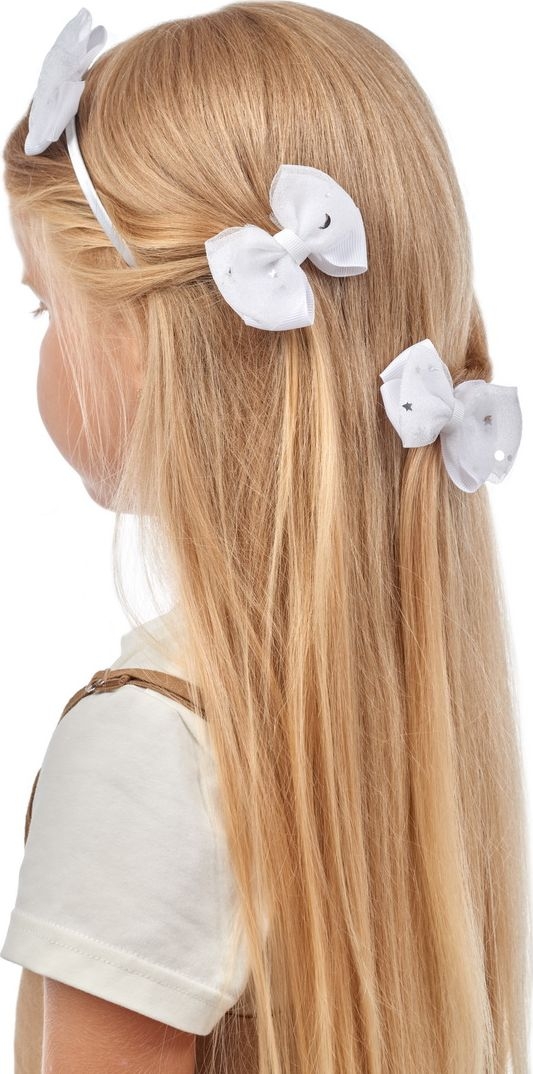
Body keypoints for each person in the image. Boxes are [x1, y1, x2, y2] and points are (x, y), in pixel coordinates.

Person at [1, 3, 530, 1073]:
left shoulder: (152, 744)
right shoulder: (413, 699)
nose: (43, 346)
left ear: (148, 343)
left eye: (47, 308)